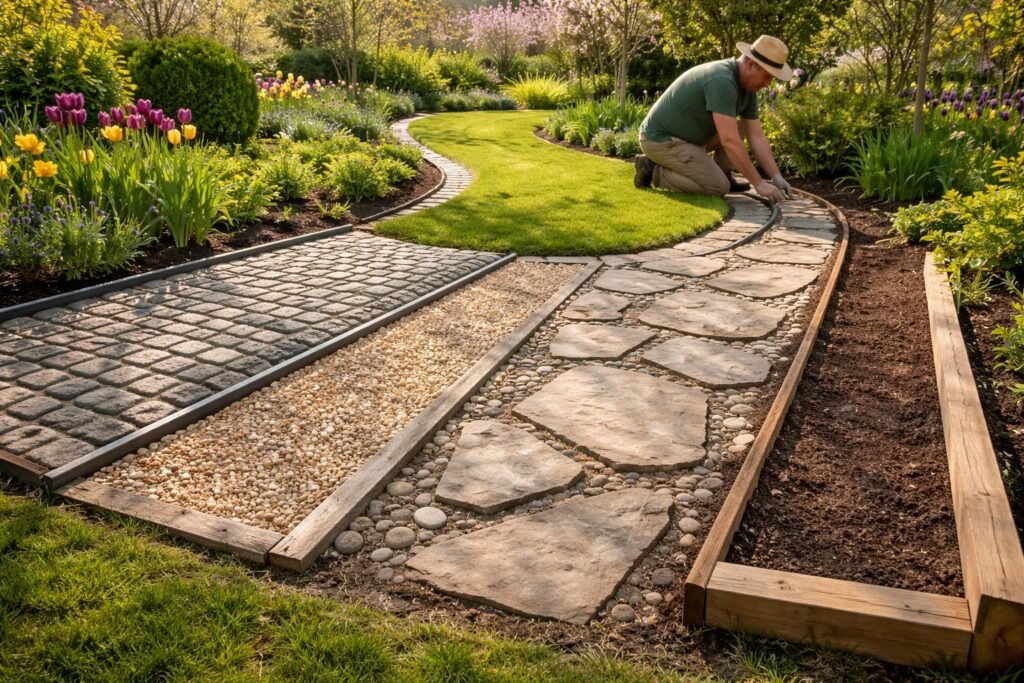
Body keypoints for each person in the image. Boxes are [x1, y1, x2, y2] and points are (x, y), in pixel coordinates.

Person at [634, 35, 794, 203]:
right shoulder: (722, 80)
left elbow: (757, 136)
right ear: (751, 64)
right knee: (717, 187)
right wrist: (759, 183)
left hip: (688, 139)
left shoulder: (748, 89)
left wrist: (776, 176)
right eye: (767, 76)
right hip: (660, 140)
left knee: (740, 127)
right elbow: (729, 140)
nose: (768, 84)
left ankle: (723, 173)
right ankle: (653, 169)